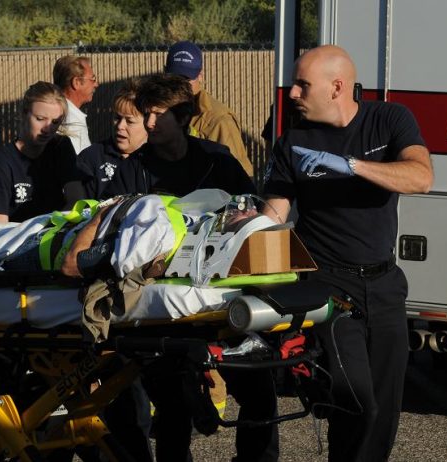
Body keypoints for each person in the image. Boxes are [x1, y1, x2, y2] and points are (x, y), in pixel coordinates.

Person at [262, 45, 433, 462]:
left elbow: (422, 177)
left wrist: (352, 166)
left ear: (337, 87)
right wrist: (240, 221)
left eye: (303, 84)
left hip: (385, 284)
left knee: (386, 409)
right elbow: (273, 212)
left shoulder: (389, 119)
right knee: (355, 401)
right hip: (328, 287)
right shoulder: (293, 141)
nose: (293, 93)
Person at [134, 73, 277, 462]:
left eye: (157, 114)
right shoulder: (135, 168)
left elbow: (251, 212)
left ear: (183, 117)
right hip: (163, 305)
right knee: (172, 406)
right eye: (144, 114)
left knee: (259, 394)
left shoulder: (217, 160)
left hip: (219, 298)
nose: (148, 123)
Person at [0, 81, 85, 223]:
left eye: (55, 122)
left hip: (55, 237)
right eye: (40, 119)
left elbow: (77, 201)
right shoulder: (1, 163)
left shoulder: (61, 147)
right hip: (16, 241)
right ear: (23, 114)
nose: (47, 128)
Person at [164, 40, 254, 177]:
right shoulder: (153, 113)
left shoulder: (219, 120)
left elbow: (240, 176)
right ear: (165, 73)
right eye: (175, 78)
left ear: (200, 76)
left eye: (187, 79)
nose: (180, 85)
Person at [78, 78, 148, 199]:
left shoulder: (158, 159)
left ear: (148, 123)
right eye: (117, 118)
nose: (120, 126)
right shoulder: (91, 158)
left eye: (129, 121)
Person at [53, 55, 99, 154]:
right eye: (93, 79)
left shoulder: (58, 111)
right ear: (76, 82)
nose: (96, 84)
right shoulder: (70, 122)